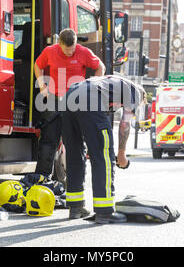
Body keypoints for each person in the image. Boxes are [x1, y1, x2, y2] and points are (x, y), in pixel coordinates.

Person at [61, 75, 146, 224]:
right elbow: (125, 124)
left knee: (75, 154)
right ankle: (104, 212)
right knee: (104, 155)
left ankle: (75, 208)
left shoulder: (110, 85)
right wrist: (121, 154)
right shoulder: (135, 91)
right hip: (89, 97)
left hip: (69, 95)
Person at [33, 28, 105, 178]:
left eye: (72, 49)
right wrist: (42, 86)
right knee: (48, 141)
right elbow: (37, 65)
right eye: (67, 50)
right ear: (59, 44)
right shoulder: (50, 51)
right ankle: (42, 179)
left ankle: (77, 179)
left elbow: (100, 67)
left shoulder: (83, 52)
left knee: (75, 142)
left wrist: (91, 86)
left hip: (76, 101)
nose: (70, 53)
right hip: (54, 100)